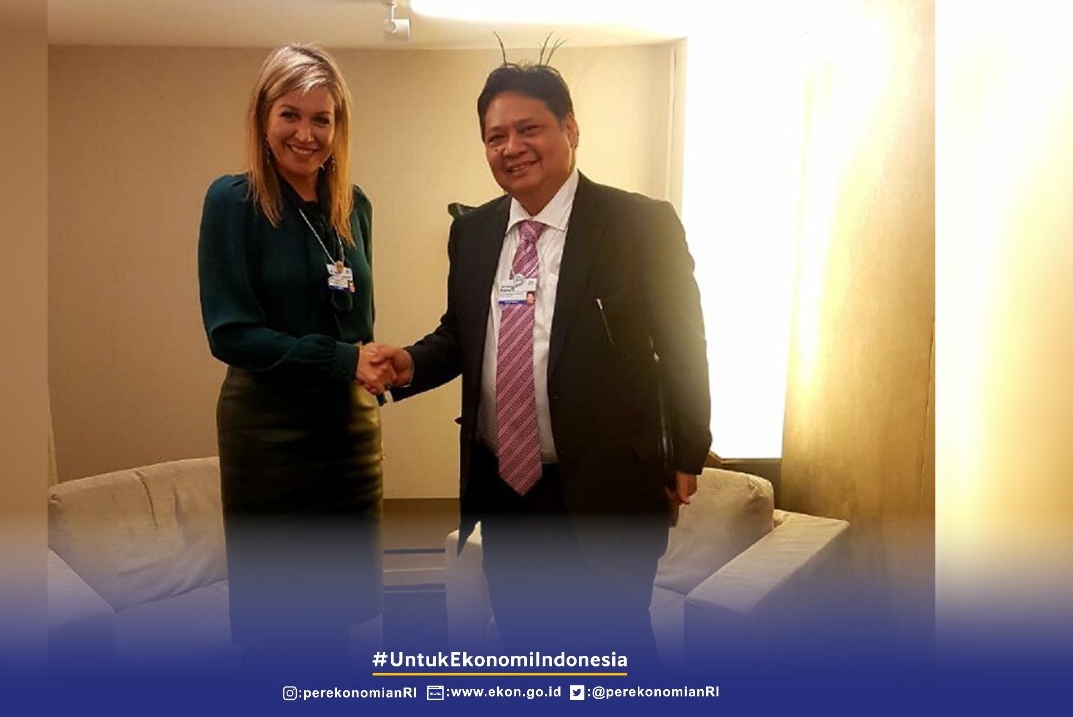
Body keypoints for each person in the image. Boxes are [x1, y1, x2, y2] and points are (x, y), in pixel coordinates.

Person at [367, 61, 712, 665]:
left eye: (529, 129)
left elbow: (684, 344)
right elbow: (463, 333)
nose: (512, 148)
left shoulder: (639, 224)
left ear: (570, 129)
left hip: (607, 487)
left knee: (616, 655)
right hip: (510, 488)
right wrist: (411, 364)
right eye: (495, 136)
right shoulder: (474, 231)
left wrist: (688, 451)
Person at [197, 44, 392, 668]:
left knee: (339, 620)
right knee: (278, 625)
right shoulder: (233, 202)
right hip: (270, 436)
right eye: (290, 115)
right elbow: (230, 333)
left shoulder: (353, 206)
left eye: (321, 119)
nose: (306, 134)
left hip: (346, 433)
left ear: (338, 127)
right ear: (263, 118)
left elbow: (357, 324)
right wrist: (341, 360)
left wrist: (372, 360)